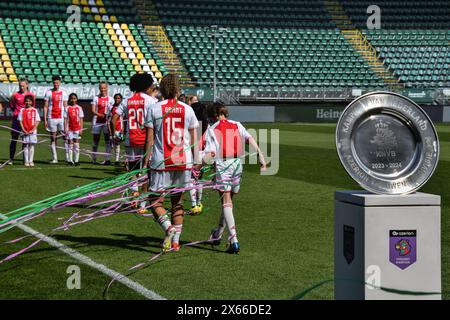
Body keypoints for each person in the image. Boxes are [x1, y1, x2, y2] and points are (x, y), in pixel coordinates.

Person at [143, 74, 199, 253]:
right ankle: (175, 242)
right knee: (178, 202)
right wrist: (197, 162)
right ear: (178, 89)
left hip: (161, 161)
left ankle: (168, 228)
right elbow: (194, 140)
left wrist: (145, 162)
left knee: (154, 201)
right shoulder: (188, 110)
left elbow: (149, 140)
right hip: (183, 161)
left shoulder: (154, 108)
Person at [201, 103, 266, 254]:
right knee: (229, 201)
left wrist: (198, 167)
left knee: (226, 201)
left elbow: (210, 154)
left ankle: (233, 240)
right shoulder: (237, 124)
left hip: (223, 165)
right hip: (237, 164)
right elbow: (250, 139)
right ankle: (218, 233)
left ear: (214, 115)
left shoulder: (212, 128)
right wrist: (261, 156)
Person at [112, 73, 158, 213]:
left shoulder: (127, 100)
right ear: (146, 85)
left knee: (132, 170)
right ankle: (143, 205)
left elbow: (114, 118)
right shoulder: (151, 101)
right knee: (145, 171)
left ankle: (134, 196)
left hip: (130, 139)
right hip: (145, 140)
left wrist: (116, 134)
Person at [9, 78, 35, 164]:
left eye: (23, 86)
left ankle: (26, 160)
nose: (21, 87)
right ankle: (11, 159)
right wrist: (18, 113)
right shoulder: (15, 95)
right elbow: (12, 106)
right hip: (17, 120)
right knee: (14, 139)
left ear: (27, 85)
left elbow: (33, 108)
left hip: (27, 121)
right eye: (20, 86)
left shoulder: (31, 95)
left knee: (26, 140)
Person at [189, 101, 209, 215]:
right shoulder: (207, 125)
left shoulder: (191, 124)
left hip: (192, 153)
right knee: (199, 179)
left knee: (191, 180)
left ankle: (194, 204)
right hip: (202, 153)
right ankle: (199, 202)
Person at [43, 75, 68, 164]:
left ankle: (67, 157)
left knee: (65, 137)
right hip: (51, 117)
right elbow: (45, 106)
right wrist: (45, 119)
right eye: (54, 82)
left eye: (57, 82)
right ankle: (55, 158)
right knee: (53, 138)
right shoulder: (48, 92)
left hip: (61, 118)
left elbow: (65, 106)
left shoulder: (64, 92)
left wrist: (66, 119)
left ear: (60, 82)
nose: (56, 84)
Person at [91, 82, 114, 165]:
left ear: (107, 88)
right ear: (99, 88)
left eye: (104, 88)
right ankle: (93, 158)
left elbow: (112, 111)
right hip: (97, 121)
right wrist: (100, 115)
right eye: (101, 88)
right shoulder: (95, 98)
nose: (103, 90)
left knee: (107, 140)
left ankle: (107, 159)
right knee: (95, 140)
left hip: (106, 122)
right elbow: (93, 110)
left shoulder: (111, 99)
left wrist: (108, 116)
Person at [18, 95, 40, 167]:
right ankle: (26, 161)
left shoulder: (35, 110)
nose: (28, 102)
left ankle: (31, 161)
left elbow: (37, 121)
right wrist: (23, 130)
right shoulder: (22, 110)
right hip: (25, 131)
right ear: (24, 102)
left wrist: (33, 130)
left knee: (31, 145)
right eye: (26, 101)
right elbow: (20, 121)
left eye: (29, 101)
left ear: (32, 102)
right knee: (25, 145)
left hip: (32, 131)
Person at [64, 93, 84, 166]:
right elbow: (65, 119)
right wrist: (65, 129)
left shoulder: (79, 108)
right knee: (70, 144)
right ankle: (70, 160)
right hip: (69, 129)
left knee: (77, 144)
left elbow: (81, 119)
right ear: (69, 99)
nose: (73, 100)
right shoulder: (67, 108)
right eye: (72, 98)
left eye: (74, 98)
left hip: (77, 128)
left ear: (77, 99)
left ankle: (76, 160)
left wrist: (81, 129)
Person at [108, 93, 125, 165]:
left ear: (121, 99)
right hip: (112, 129)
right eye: (116, 98)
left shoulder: (122, 108)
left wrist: (123, 129)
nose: (117, 99)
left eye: (118, 98)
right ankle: (107, 159)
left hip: (119, 129)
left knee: (117, 144)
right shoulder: (111, 107)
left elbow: (122, 119)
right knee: (111, 144)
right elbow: (108, 119)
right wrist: (110, 129)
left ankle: (117, 160)